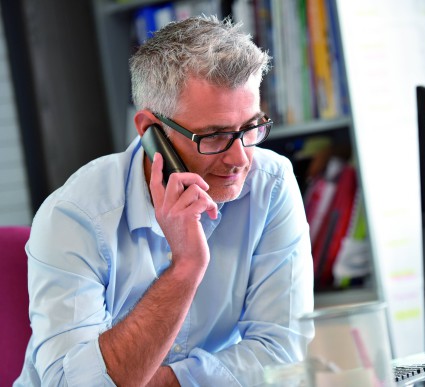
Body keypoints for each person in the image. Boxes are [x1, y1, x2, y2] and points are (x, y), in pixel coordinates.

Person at [15, 15, 314, 386]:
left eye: (251, 128)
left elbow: (284, 353)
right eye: (216, 136)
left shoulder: (270, 183)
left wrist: (150, 380)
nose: (240, 159)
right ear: (149, 130)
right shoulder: (75, 216)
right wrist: (186, 267)